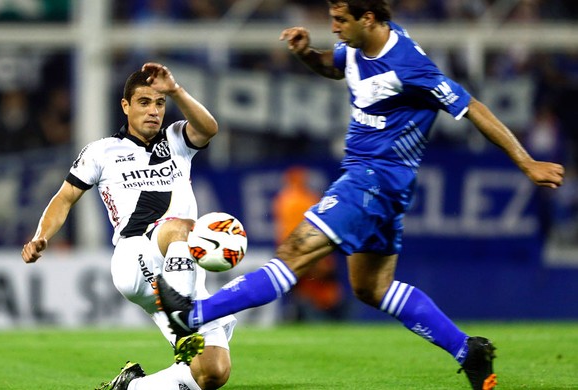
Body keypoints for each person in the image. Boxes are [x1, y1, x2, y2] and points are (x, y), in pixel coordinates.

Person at [151, 1, 565, 389]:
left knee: (294, 252)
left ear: (368, 18)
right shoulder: (355, 46)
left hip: (373, 182)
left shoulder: (409, 66)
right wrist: (307, 55)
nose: (333, 27)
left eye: (340, 20)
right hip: (377, 187)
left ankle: (194, 314)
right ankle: (468, 350)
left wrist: (526, 162)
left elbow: (472, 106)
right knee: (372, 288)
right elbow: (336, 66)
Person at [21, 62, 236, 390]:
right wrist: (41, 236)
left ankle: (132, 386)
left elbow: (209, 128)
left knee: (212, 373)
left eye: (160, 104)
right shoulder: (102, 151)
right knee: (184, 226)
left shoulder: (177, 139)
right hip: (136, 255)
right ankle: (185, 310)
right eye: (144, 102)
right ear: (125, 106)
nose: (154, 111)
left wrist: (176, 90)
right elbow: (64, 198)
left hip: (182, 265)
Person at [272, 166, 344, 321]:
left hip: (293, 252)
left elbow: (285, 231)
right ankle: (328, 317)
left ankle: (297, 315)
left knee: (300, 289)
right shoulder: (308, 198)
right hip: (312, 252)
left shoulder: (283, 199)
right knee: (324, 292)